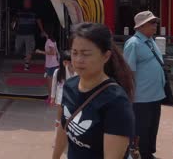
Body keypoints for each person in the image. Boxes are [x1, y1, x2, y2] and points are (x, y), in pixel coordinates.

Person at [53, 23, 135, 159]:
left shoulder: (116, 101)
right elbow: (63, 128)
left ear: (106, 56)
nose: (78, 60)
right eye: (74, 53)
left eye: (86, 54)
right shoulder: (69, 86)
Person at [123, 11, 165, 159]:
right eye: (152, 23)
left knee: (152, 127)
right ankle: (137, 154)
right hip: (141, 96)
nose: (155, 26)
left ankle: (148, 153)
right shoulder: (133, 44)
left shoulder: (151, 41)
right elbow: (129, 71)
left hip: (156, 94)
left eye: (155, 22)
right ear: (141, 26)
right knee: (140, 129)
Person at [13, 0, 46, 71]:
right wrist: (13, 26)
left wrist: (42, 30)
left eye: (28, 1)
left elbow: (38, 21)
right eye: (25, 1)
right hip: (20, 34)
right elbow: (15, 21)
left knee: (29, 50)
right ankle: (26, 55)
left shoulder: (34, 11)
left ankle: (27, 64)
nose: (26, 3)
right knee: (17, 48)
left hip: (29, 34)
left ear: (30, 3)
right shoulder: (19, 11)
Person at [50, 51, 76, 127]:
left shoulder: (74, 72)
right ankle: (58, 123)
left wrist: (68, 69)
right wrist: (52, 97)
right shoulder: (57, 72)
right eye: (65, 62)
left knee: (68, 112)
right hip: (60, 97)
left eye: (69, 62)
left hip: (70, 97)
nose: (67, 64)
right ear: (61, 62)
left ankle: (68, 125)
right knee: (60, 111)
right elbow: (54, 85)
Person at [35, 28, 59, 104]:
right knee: (52, 82)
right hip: (52, 64)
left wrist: (40, 51)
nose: (41, 33)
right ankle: (52, 98)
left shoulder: (49, 41)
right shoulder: (52, 40)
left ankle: (51, 98)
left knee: (50, 83)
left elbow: (52, 53)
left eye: (43, 31)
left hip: (52, 65)